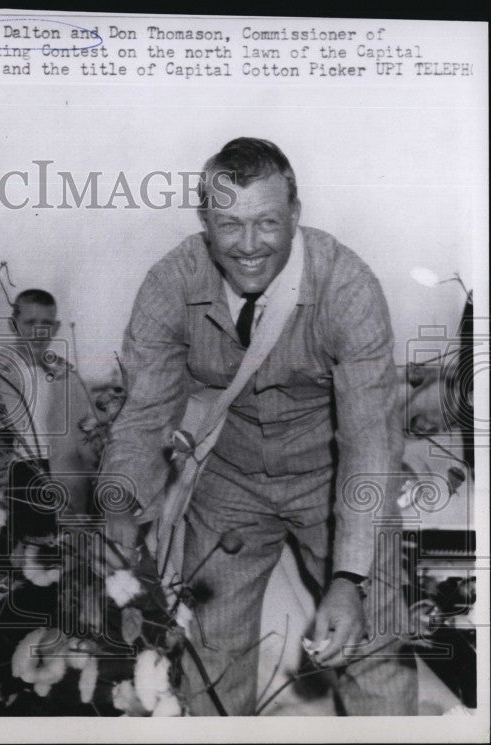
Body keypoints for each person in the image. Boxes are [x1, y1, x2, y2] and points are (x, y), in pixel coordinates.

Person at [101, 137, 417, 715]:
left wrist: (351, 576)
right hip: (229, 483)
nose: (249, 247)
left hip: (333, 479)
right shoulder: (170, 284)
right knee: (211, 657)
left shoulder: (347, 287)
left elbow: (370, 439)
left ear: (296, 214)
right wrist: (120, 509)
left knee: (372, 639)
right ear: (203, 221)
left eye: (268, 222)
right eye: (228, 225)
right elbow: (145, 414)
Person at [0, 289, 95, 516]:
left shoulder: (68, 377)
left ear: (57, 327)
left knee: (55, 547)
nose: (39, 331)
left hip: (59, 486)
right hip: (10, 484)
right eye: (30, 322)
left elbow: (84, 438)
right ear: (13, 325)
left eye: (47, 323)